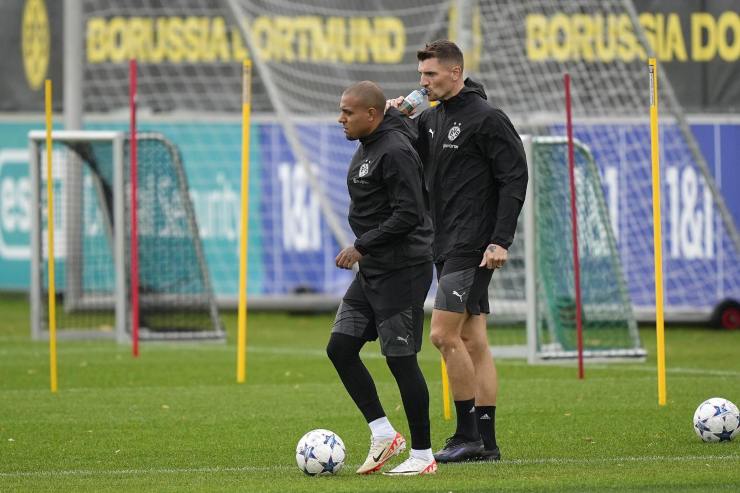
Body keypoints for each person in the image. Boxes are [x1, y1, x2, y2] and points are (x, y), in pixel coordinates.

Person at [388, 40, 528, 463]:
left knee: (443, 335)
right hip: (445, 244)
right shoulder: (431, 119)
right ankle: (486, 442)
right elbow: (405, 160)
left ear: (455, 72)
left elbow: (514, 179)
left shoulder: (487, 119)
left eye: (430, 75)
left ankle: (467, 435)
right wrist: (397, 120)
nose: (423, 82)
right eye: (420, 76)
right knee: (473, 338)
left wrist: (501, 239)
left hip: (473, 245)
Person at [327, 81, 437, 476]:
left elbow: (410, 213)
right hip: (374, 268)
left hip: (402, 268)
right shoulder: (380, 135)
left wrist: (362, 245)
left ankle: (423, 455)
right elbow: (401, 114)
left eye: (348, 112)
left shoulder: (394, 151)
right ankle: (384, 434)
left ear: (371, 115)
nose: (341, 118)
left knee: (401, 360)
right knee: (340, 347)